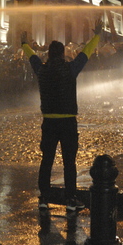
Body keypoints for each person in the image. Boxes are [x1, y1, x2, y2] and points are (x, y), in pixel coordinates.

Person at [21, 21, 102, 213]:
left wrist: (24, 44)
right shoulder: (70, 69)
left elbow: (31, 57)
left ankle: (44, 198)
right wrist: (97, 35)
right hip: (67, 122)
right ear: (62, 53)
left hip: (48, 122)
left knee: (46, 160)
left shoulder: (41, 70)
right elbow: (86, 54)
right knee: (69, 162)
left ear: (49, 54)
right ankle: (71, 199)